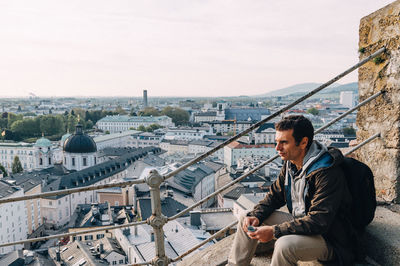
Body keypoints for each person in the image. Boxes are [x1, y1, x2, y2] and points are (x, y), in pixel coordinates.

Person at [228, 115, 355, 266]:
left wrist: (274, 231)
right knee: (246, 216)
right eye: (277, 142)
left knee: (284, 246)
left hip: (329, 239)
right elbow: (274, 196)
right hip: (303, 225)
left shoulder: (327, 172)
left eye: (284, 142)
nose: (277, 148)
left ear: (303, 142)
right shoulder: (291, 164)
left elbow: (319, 221)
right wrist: (256, 215)